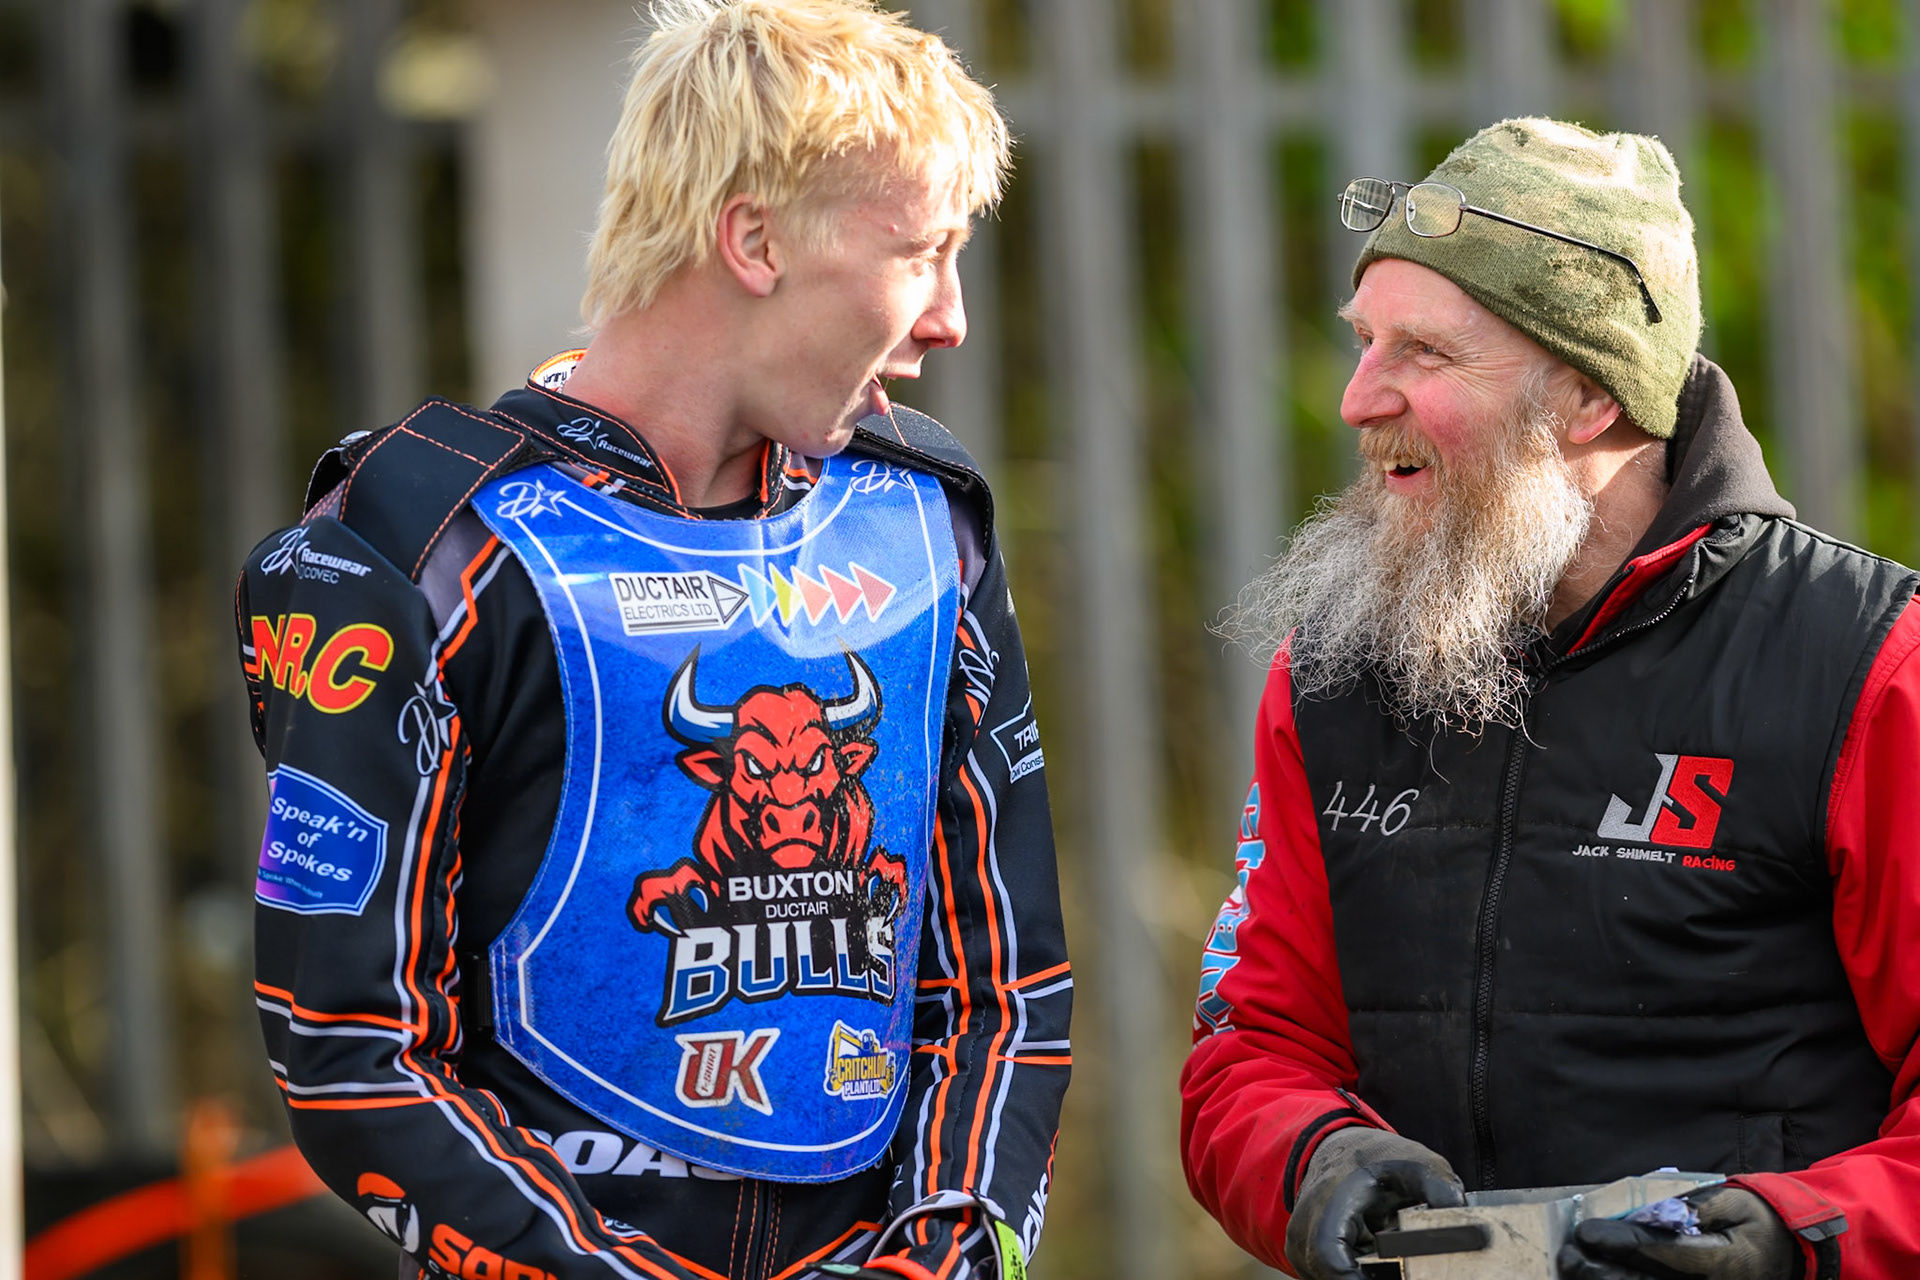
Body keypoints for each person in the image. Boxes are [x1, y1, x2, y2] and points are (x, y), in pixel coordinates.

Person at [236, 4, 1069, 1277]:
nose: (949, 317)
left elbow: (1004, 994)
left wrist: (952, 1254)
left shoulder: (925, 520)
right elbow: (346, 1041)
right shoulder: (424, 544)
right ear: (753, 238)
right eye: (921, 252)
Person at [1180, 118, 1920, 1280]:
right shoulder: (1332, 669)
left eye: (1423, 352)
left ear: (1585, 396)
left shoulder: (1865, 663)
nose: (1358, 399)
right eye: (1364, 342)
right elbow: (1255, 1041)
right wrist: (1314, 1158)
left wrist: (1796, 1236)